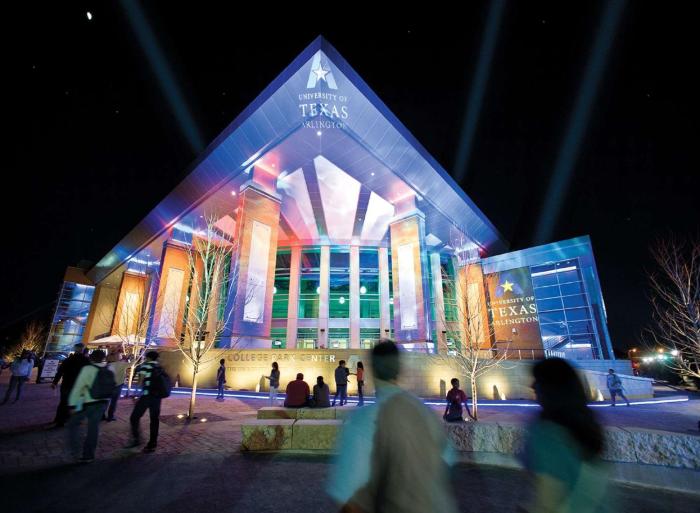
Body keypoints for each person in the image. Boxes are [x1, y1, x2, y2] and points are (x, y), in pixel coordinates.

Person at [328, 341, 458, 513]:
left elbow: (349, 498)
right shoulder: (426, 412)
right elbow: (447, 461)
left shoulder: (364, 419)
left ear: (372, 369)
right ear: (399, 369)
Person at [522, 358, 608, 513]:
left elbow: (548, 501)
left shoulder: (546, 433)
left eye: (538, 380)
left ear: (552, 388)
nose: (532, 386)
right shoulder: (588, 424)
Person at [66, 350, 114, 463]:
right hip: (103, 402)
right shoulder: (110, 368)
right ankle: (89, 455)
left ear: (91, 358)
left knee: (73, 424)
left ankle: (75, 450)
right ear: (104, 358)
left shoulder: (87, 369)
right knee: (93, 428)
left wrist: (72, 405)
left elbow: (78, 387)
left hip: (87, 403)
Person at [126, 351, 164, 453]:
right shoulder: (159, 367)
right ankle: (152, 444)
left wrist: (135, 394)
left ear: (148, 358)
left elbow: (140, 382)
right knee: (154, 420)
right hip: (157, 397)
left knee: (134, 417)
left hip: (146, 396)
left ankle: (137, 439)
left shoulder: (145, 366)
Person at [51, 344, 90, 427]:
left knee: (64, 403)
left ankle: (60, 420)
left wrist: (55, 382)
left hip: (67, 384)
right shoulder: (86, 360)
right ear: (82, 350)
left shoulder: (68, 359)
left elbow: (60, 371)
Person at [104, 352, 129, 421]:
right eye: (120, 355)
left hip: (108, 385)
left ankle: (102, 416)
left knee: (106, 401)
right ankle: (110, 416)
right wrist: (128, 358)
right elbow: (132, 363)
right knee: (114, 402)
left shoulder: (108, 365)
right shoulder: (122, 364)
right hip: (118, 385)